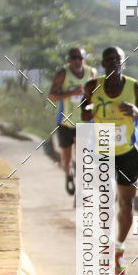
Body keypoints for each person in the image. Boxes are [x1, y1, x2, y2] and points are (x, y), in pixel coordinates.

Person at [81, 47, 138, 275]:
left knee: (126, 204)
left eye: (118, 59)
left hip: (127, 153)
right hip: (101, 151)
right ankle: (104, 249)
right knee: (104, 203)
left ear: (123, 63)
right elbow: (84, 115)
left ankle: (119, 248)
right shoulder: (93, 86)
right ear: (103, 64)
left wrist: (136, 112)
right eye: (109, 59)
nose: (114, 62)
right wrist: (88, 107)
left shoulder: (135, 88)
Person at [48, 48, 97, 195]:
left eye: (80, 57)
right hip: (65, 122)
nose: (77, 61)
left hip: (84, 122)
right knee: (66, 159)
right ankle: (69, 175)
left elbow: (97, 93)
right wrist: (72, 93)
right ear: (69, 60)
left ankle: (82, 190)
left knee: (83, 157)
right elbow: (51, 96)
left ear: (84, 59)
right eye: (74, 58)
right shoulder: (62, 74)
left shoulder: (91, 73)